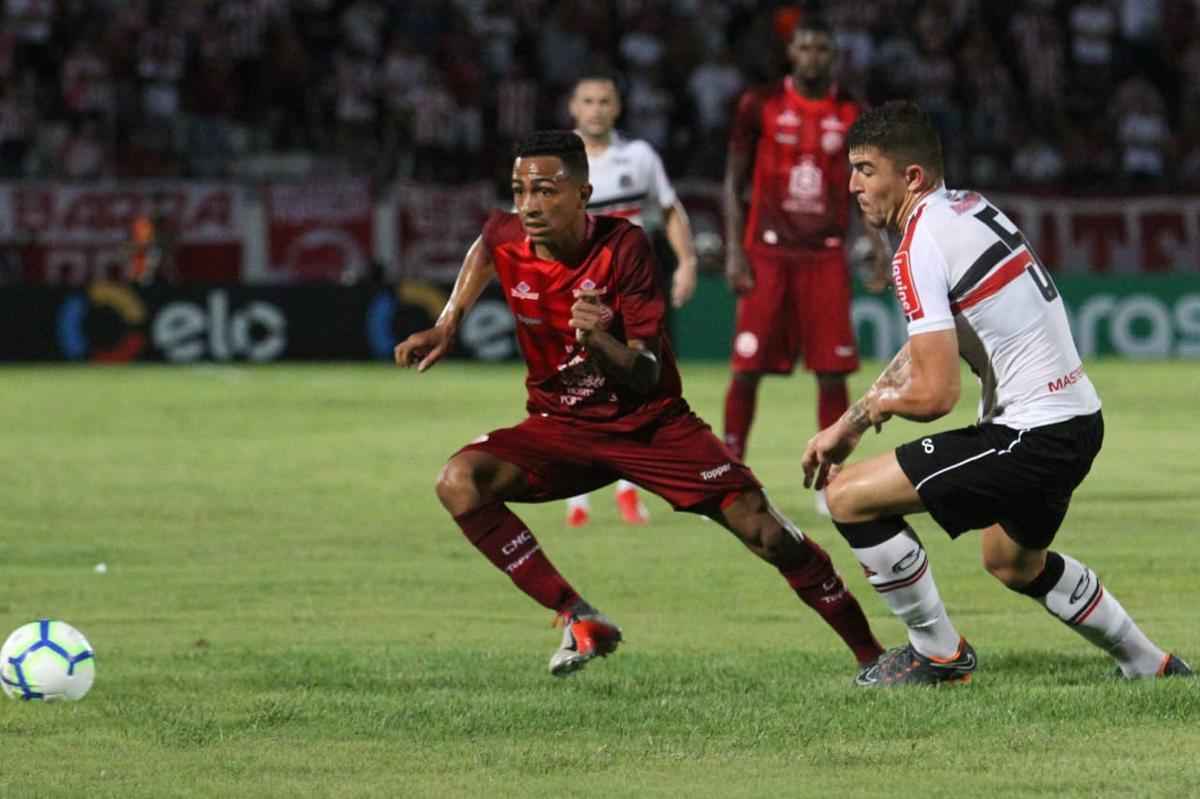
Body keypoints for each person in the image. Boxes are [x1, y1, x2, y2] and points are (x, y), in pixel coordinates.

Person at [395, 131, 883, 677]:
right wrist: (447, 322)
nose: (529, 205)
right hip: (559, 427)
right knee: (459, 481)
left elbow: (647, 373)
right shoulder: (509, 234)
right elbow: (487, 243)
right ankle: (577, 616)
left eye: (545, 191)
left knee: (767, 535)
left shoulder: (623, 249)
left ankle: (873, 656)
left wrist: (598, 342)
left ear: (583, 193)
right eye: (520, 191)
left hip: (649, 425)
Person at [801, 100, 1192, 687]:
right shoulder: (968, 209)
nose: (852, 185)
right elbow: (934, 344)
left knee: (845, 497)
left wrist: (868, 411)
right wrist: (851, 423)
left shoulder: (918, 245)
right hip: (1079, 419)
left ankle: (937, 654)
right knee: (1011, 561)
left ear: (910, 176)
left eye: (864, 168)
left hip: (1030, 434)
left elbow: (935, 393)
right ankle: (1151, 664)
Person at [722, 16, 888, 515]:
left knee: (831, 370)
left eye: (821, 48)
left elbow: (872, 185)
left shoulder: (852, 109)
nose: (813, 55)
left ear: (833, 55)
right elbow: (732, 181)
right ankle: (730, 474)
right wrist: (735, 251)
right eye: (805, 47)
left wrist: (878, 247)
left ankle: (829, 480)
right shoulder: (761, 104)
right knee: (747, 367)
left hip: (825, 256)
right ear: (791, 53)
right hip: (767, 254)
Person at [561, 71, 700, 528]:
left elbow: (669, 209)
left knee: (639, 389)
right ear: (573, 108)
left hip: (633, 289)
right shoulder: (558, 161)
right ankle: (576, 500)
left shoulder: (638, 156)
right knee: (576, 392)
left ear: (617, 108)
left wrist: (687, 262)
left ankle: (627, 491)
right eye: (588, 100)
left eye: (605, 100)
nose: (596, 108)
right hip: (577, 291)